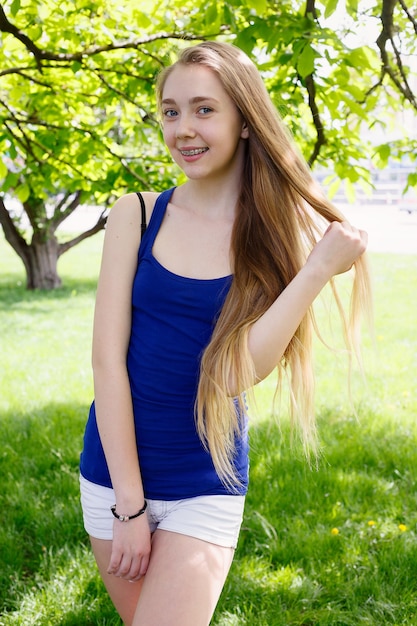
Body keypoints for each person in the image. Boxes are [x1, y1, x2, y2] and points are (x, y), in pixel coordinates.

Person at [79, 40, 371, 625]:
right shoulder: (135, 214)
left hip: (205, 482)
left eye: (204, 109)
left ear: (243, 120)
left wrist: (315, 270)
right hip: (113, 476)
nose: (183, 128)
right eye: (170, 110)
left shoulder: (271, 236)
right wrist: (129, 509)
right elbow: (107, 364)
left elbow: (238, 372)